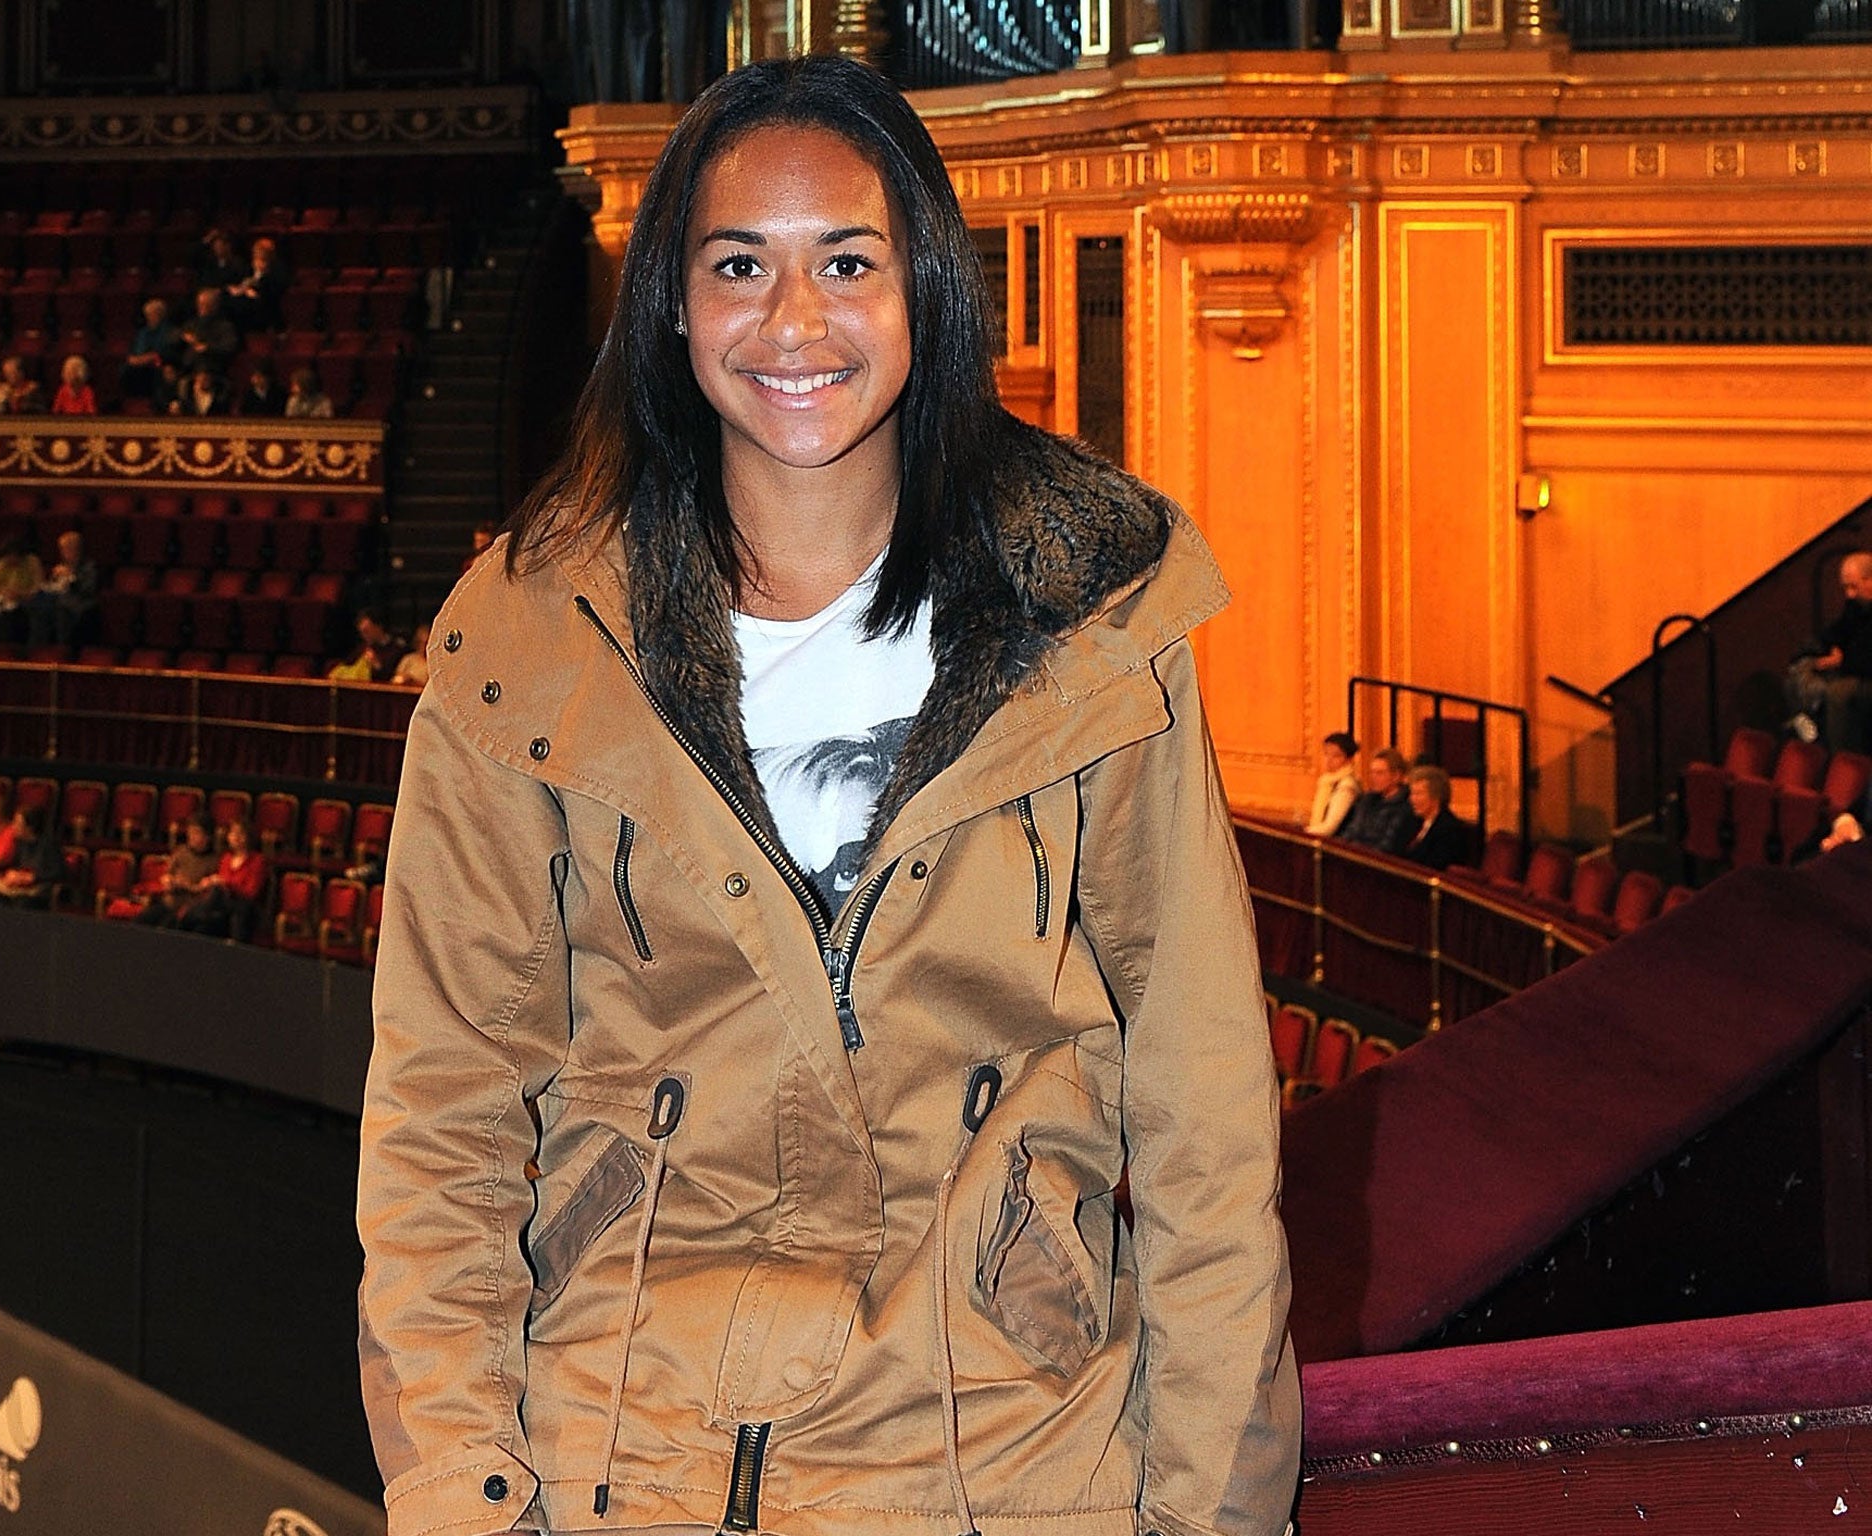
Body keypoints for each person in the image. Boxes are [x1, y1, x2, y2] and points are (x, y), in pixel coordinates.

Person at [355, 55, 1298, 1536]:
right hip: (626, 1472)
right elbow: (443, 1115)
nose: (794, 321)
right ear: (673, 303)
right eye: (739, 265)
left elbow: (1204, 1117)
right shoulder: (528, 639)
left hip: (1006, 1469)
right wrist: (465, 1499)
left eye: (848, 263)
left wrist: (1211, 1514)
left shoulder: (1095, 618)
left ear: (925, 290)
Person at [1787, 551, 1872, 753]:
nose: (1849, 594)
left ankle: (1840, 757)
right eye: (1845, 588)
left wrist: (1841, 661)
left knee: (1838, 693)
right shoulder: (1856, 605)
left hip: (1865, 673)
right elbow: (1837, 631)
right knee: (1799, 672)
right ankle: (1808, 735)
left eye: (1854, 586)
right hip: (1851, 667)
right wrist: (1832, 647)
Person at [175, 818, 268, 941]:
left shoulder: (257, 861)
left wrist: (225, 883)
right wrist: (210, 882)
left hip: (242, 905)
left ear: (248, 837)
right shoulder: (226, 858)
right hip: (221, 904)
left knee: (218, 895)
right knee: (202, 927)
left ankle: (192, 914)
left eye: (240, 834)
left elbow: (250, 892)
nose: (235, 837)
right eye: (232, 833)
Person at [133, 816, 220, 925]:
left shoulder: (214, 860)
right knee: (141, 920)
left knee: (168, 924)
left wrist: (188, 886)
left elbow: (208, 894)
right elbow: (167, 875)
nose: (191, 836)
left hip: (190, 908)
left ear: (207, 836)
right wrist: (169, 881)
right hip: (170, 902)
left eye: (196, 833)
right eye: (190, 832)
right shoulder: (181, 852)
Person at [1336, 747, 1420, 855]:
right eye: (1372, 772)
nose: (1373, 777)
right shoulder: (1367, 800)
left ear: (1396, 776)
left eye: (1379, 773)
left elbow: (1388, 845)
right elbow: (1352, 831)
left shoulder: (1406, 806)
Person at [27, 529, 98, 646]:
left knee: (60, 610)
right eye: (62, 549)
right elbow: (56, 587)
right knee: (36, 603)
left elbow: (87, 589)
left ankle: (62, 647)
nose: (63, 553)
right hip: (58, 600)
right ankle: (37, 646)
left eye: (66, 549)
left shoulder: (89, 566)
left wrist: (70, 577)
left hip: (79, 603)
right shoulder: (62, 566)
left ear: (77, 549)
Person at [1401, 764, 1474, 870]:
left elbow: (1436, 867)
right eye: (1412, 794)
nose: (1412, 799)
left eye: (1418, 794)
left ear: (1436, 797)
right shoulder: (1413, 822)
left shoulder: (1450, 830)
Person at [0, 807, 66, 907]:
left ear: (29, 827)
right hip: (20, 886)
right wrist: (12, 874)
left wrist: (33, 877)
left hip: (39, 889)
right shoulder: (20, 843)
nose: (13, 827)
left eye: (17, 823)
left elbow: (58, 872)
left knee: (21, 903)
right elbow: (15, 865)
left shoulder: (49, 845)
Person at [0, 536, 43, 642]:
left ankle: (10, 646)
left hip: (25, 601)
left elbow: (37, 587)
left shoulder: (32, 562)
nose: (9, 559)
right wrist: (3, 592)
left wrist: (20, 594)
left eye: (12, 556)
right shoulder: (2, 564)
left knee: (8, 617)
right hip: (4, 600)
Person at [1303, 730, 1362, 836]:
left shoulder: (1347, 786)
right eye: (1326, 754)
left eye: (1336, 756)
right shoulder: (1327, 782)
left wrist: (1304, 834)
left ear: (1349, 759)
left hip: (1337, 841)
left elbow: (1329, 827)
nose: (1329, 760)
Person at [121, 297, 177, 404]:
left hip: (159, 364)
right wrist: (135, 359)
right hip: (141, 363)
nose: (150, 318)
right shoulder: (143, 332)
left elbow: (164, 352)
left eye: (153, 315)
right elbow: (135, 351)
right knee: (125, 370)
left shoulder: (169, 331)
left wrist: (149, 357)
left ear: (161, 315)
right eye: (148, 315)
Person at [225, 236, 287, 332]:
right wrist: (243, 289)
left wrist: (261, 274)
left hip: (265, 305)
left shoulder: (277, 270)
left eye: (261, 256)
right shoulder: (248, 267)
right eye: (256, 255)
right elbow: (241, 282)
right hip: (247, 300)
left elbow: (273, 291)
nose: (257, 258)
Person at [326, 608, 399, 681]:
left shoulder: (395, 650)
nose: (363, 635)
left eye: (366, 631)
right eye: (361, 632)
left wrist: (376, 665)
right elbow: (347, 664)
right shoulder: (363, 647)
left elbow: (392, 678)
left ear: (379, 626)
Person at [178, 287, 238, 374]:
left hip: (211, 368)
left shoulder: (225, 326)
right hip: (189, 367)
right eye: (200, 304)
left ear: (215, 305)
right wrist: (184, 337)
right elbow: (176, 334)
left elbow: (229, 348)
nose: (201, 308)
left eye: (205, 304)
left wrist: (207, 348)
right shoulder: (193, 323)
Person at [389, 619, 430, 687]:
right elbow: (396, 679)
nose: (424, 646)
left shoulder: (433, 664)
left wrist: (413, 681)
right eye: (421, 642)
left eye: (426, 643)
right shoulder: (408, 659)